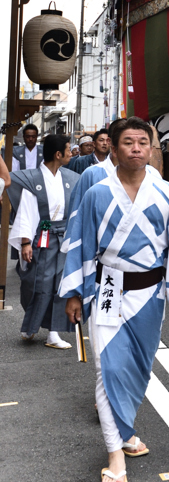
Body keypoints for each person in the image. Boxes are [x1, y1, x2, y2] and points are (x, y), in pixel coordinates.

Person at [60, 117, 169, 482]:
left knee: (138, 368)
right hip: (108, 287)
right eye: (129, 142)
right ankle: (115, 453)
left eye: (143, 142)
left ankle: (124, 430)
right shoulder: (96, 192)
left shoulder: (166, 192)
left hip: (150, 293)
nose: (137, 148)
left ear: (151, 148)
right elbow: (79, 243)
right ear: (113, 148)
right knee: (107, 368)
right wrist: (75, 293)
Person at [8, 133, 80, 349]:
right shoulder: (34, 179)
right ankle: (31, 324)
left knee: (61, 285)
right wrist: (25, 242)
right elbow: (26, 213)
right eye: (68, 149)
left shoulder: (70, 177)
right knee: (38, 282)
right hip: (44, 234)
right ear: (58, 154)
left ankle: (54, 333)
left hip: (64, 237)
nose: (71, 152)